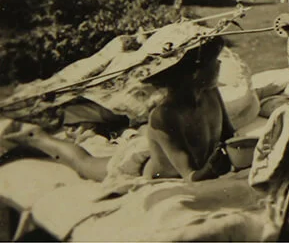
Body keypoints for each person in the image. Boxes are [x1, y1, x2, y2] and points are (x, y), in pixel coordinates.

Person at [3, 37, 233, 182]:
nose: (220, 65)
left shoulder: (211, 93)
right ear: (195, 74)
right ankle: (37, 137)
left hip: (164, 151)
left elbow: (229, 136)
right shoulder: (165, 116)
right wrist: (212, 167)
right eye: (215, 63)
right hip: (142, 167)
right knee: (85, 164)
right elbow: (190, 175)